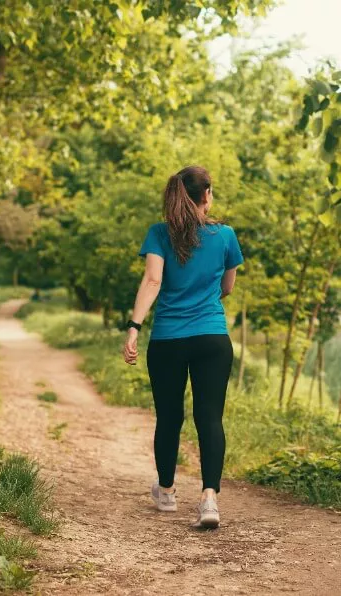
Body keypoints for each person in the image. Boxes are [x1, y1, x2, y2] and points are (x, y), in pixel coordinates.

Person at [122, 165, 243, 529]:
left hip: (168, 340)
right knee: (209, 417)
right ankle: (209, 499)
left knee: (170, 417)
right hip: (212, 339)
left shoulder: (159, 234)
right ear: (206, 195)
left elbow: (154, 279)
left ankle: (168, 492)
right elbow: (227, 288)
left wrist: (133, 327)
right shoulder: (225, 236)